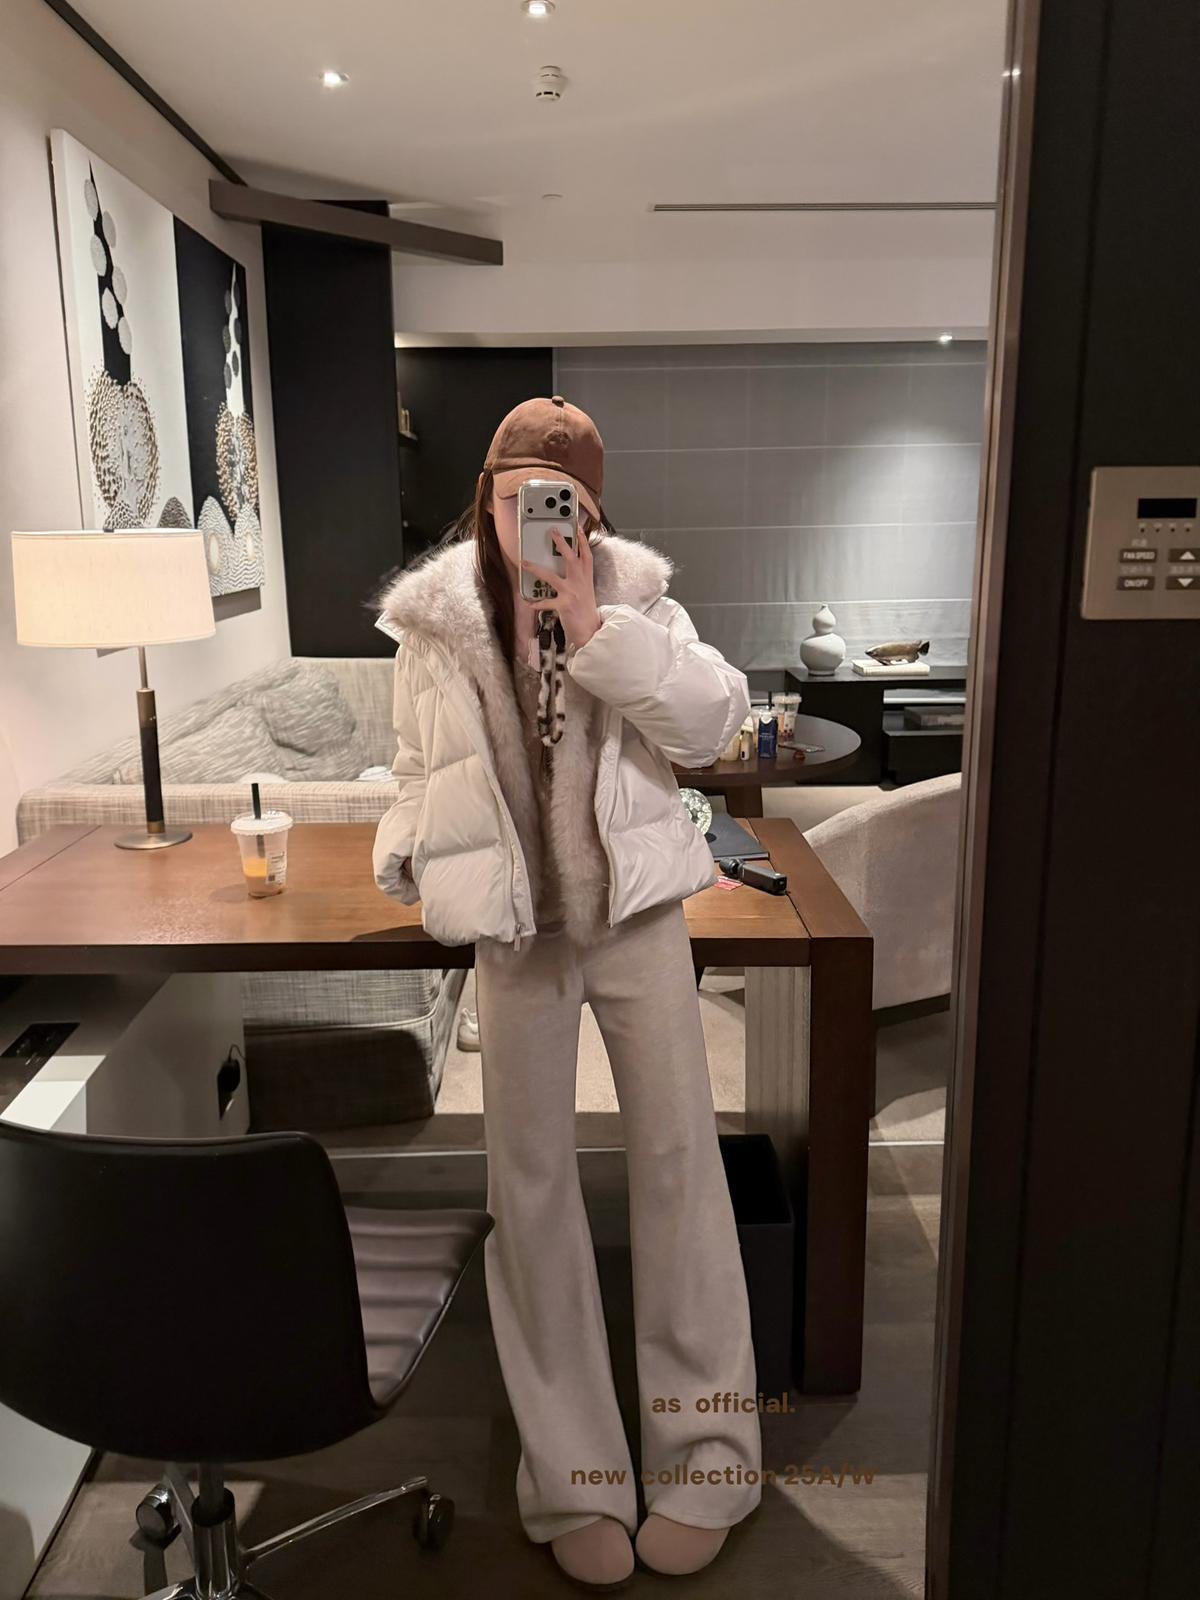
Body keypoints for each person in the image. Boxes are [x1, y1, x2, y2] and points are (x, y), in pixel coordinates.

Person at [373, 397, 762, 1588]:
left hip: (636, 921)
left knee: (682, 1172)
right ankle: (575, 1475)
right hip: (517, 937)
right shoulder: (434, 624)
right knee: (531, 1194)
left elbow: (715, 722)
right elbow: (412, 766)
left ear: (593, 512)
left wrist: (595, 623)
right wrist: (408, 849)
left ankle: (709, 1458)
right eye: (519, 499)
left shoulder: (638, 599)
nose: (538, 522)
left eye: (566, 505)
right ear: (485, 497)